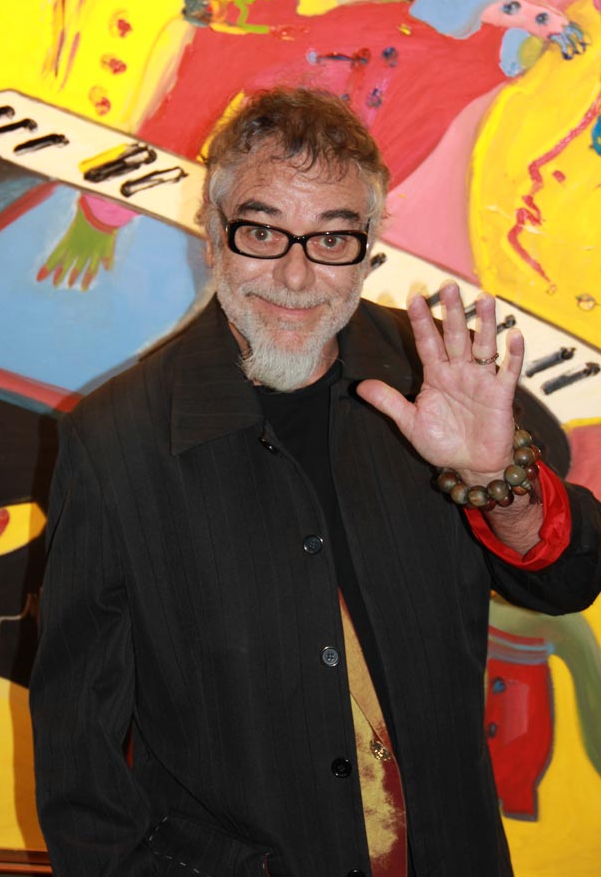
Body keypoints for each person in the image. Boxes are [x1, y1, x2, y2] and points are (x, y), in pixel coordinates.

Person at [29, 87, 601, 877]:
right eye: (262, 231)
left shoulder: (435, 375)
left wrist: (495, 478)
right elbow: (79, 759)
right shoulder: (115, 442)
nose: (296, 276)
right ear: (212, 234)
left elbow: (571, 578)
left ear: (369, 249)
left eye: (332, 237)